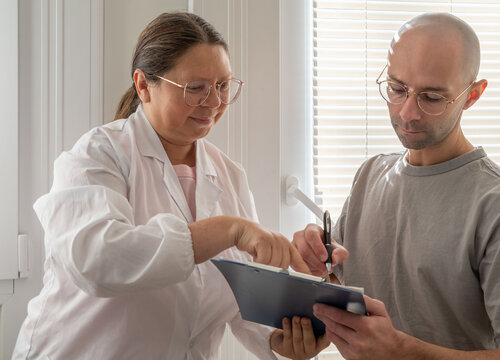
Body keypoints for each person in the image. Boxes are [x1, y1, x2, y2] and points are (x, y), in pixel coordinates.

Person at [12, 12, 329, 360]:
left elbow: (239, 299)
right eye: (196, 88)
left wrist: (281, 339)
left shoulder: (229, 176)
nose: (214, 103)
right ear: (144, 85)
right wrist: (227, 229)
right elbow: (98, 261)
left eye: (223, 86)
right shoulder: (97, 156)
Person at [293, 12, 500, 360]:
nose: (408, 112)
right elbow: (352, 303)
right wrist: (315, 277)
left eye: (432, 98)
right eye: (397, 89)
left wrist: (402, 350)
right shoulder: (369, 176)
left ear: (472, 95)